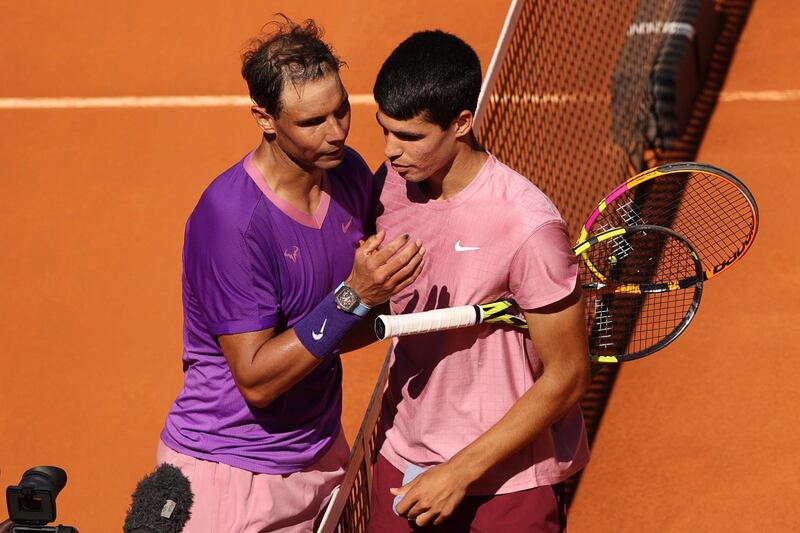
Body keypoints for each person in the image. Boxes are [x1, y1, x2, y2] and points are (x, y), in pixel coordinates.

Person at [157, 17, 424, 532]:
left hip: (320, 456)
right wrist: (355, 296)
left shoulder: (345, 174)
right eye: (312, 122)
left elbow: (335, 330)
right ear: (265, 118)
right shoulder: (231, 222)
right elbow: (257, 380)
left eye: (342, 109)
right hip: (232, 475)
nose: (337, 131)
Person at [367, 30, 591, 532]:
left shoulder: (526, 225)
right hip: (401, 461)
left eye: (410, 136)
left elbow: (569, 373)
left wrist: (458, 472)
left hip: (505, 487)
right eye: (384, 130)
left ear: (462, 124)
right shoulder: (388, 192)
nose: (390, 151)